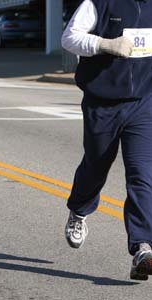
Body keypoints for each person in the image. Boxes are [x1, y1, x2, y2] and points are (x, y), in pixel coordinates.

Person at [62, 0, 152, 280]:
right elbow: (69, 38)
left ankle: (142, 246)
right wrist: (105, 45)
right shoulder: (99, 3)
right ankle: (79, 209)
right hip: (102, 103)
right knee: (96, 164)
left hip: (144, 103)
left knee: (143, 174)